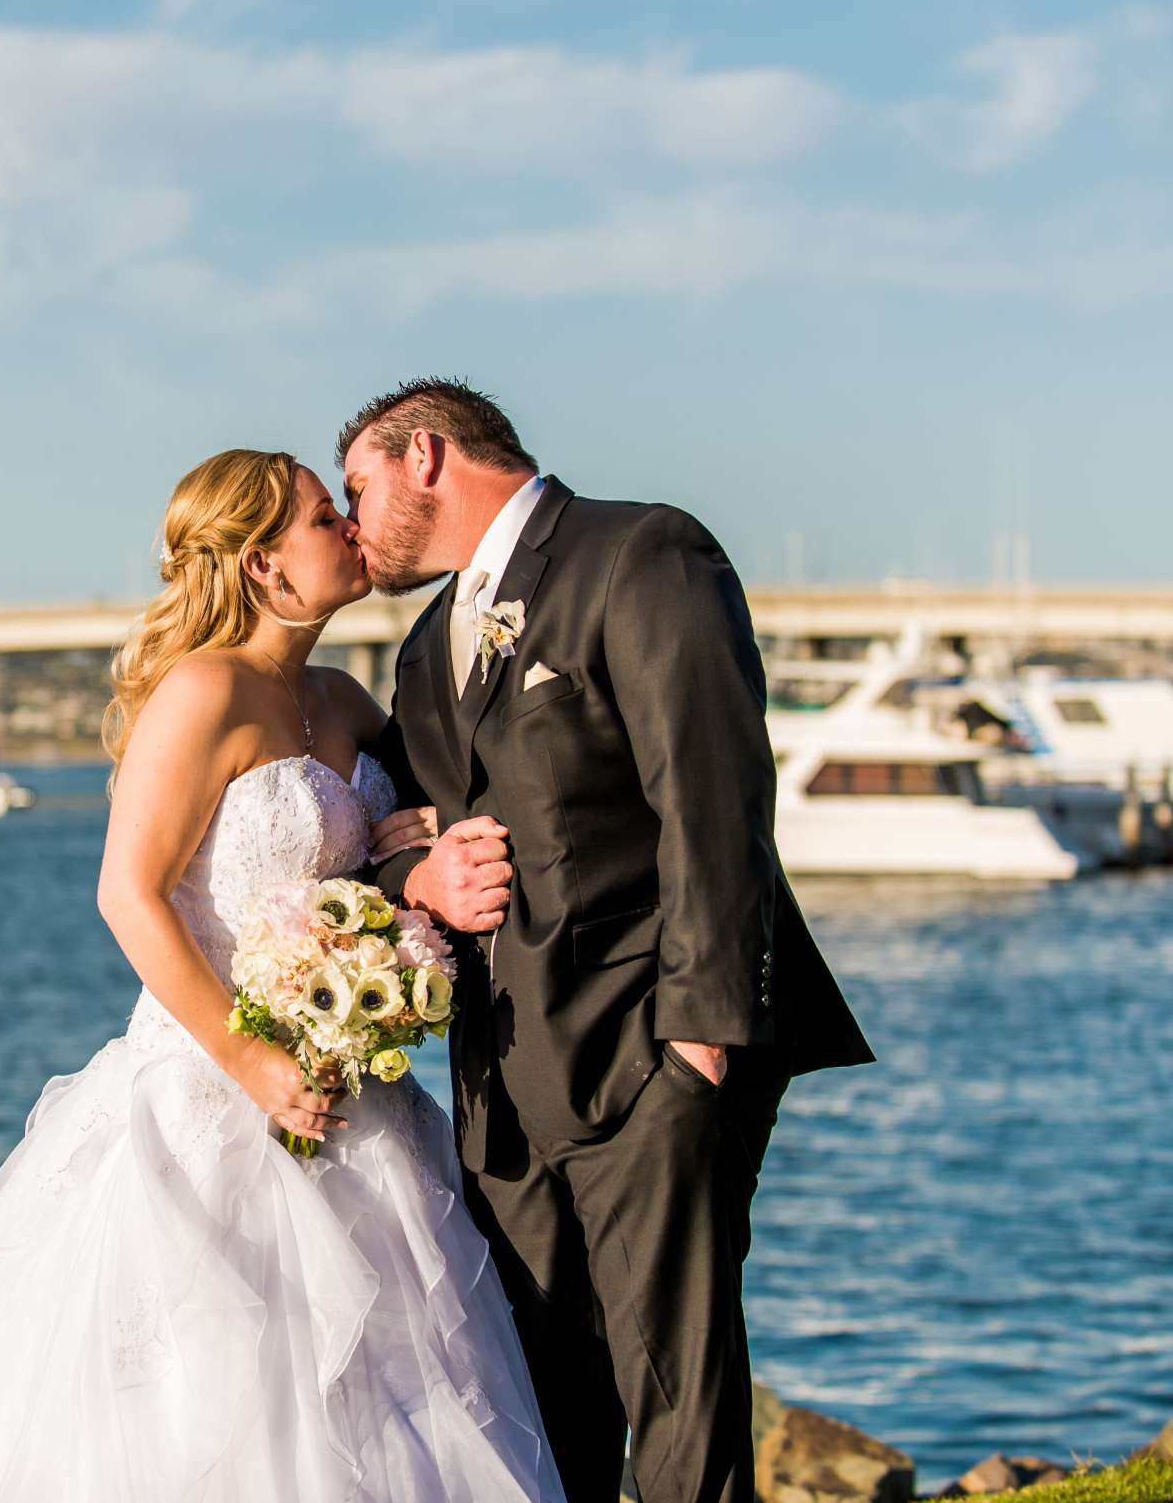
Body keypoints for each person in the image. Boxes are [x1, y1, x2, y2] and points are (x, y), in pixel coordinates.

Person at [0, 449, 570, 1502]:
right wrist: (247, 1060)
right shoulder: (202, 694)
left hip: (353, 1096)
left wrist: (398, 862)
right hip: (212, 1090)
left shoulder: (343, 699)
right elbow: (127, 894)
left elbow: (394, 841)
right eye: (328, 519)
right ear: (262, 568)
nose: (354, 530)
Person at [339, 378, 877, 1503]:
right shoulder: (426, 646)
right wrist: (411, 873)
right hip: (503, 1090)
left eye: (358, 485)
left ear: (425, 454)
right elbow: (388, 831)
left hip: (651, 1057)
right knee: (541, 1409)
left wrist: (700, 1047)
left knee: (680, 1406)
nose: (350, 522)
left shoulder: (640, 557)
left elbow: (715, 800)